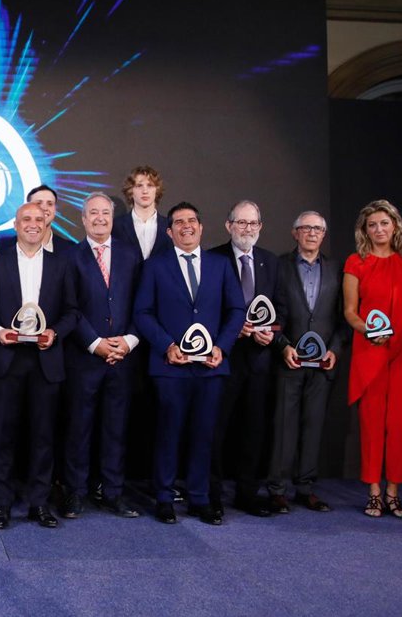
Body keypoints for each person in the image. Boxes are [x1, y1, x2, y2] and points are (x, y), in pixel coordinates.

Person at [133, 202, 246, 525]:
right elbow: (142, 312)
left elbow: (236, 310)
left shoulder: (220, 265)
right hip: (170, 368)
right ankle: (164, 497)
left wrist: (222, 347)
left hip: (210, 368)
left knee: (204, 434)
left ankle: (199, 498)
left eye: (192, 220)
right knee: (168, 433)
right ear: (169, 232)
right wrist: (167, 346)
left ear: (201, 227)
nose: (187, 226)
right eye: (179, 222)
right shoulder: (155, 266)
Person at [0, 202, 78, 529]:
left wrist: (55, 332)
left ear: (47, 223)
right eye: (26, 219)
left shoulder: (62, 264)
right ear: (16, 224)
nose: (33, 224)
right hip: (6, 360)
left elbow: (72, 311)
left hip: (45, 361)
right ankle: (2, 504)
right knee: (2, 436)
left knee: (43, 437)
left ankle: (39, 503)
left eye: (39, 218)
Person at [61, 192, 141, 519]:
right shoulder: (70, 256)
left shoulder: (131, 255)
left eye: (105, 213)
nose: (99, 218)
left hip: (123, 358)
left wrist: (128, 341)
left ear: (112, 217)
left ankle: (113, 493)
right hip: (84, 358)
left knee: (116, 429)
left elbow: (142, 303)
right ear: (83, 219)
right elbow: (69, 306)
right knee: (78, 429)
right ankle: (75, 492)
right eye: (93, 213)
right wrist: (95, 343)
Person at [267, 211, 347, 513]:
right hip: (288, 361)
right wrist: (282, 345)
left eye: (318, 229)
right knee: (283, 428)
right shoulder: (278, 267)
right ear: (295, 233)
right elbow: (270, 314)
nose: (312, 233)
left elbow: (344, 318)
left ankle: (305, 487)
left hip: (323, 365)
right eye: (306, 228)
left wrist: (334, 350)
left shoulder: (337, 270)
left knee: (313, 426)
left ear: (323, 235)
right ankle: (277, 489)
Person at [343, 199, 402, 518]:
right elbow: (350, 311)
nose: (378, 229)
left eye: (384, 223)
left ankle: (393, 492)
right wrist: (369, 331)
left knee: (399, 423)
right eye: (372, 225)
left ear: (395, 225)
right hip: (370, 349)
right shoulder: (356, 262)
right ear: (365, 230)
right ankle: (374, 492)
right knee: (372, 422)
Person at [209, 200, 279, 519]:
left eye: (253, 223)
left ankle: (247, 493)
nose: (247, 229)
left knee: (253, 429)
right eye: (241, 222)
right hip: (224, 357)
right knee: (216, 428)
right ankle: (211, 494)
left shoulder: (271, 262)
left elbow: (281, 308)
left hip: (260, 359)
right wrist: (230, 330)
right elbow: (205, 307)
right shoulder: (213, 259)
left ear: (260, 227)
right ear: (229, 225)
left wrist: (272, 333)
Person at [0, 184, 76, 255]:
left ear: (55, 209)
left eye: (50, 204)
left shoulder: (70, 248)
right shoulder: (6, 246)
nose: (44, 208)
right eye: (38, 203)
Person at [112, 165, 168, 261]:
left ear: (157, 190)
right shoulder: (116, 226)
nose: (145, 191)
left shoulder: (169, 226)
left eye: (150, 185)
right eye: (139, 186)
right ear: (131, 190)